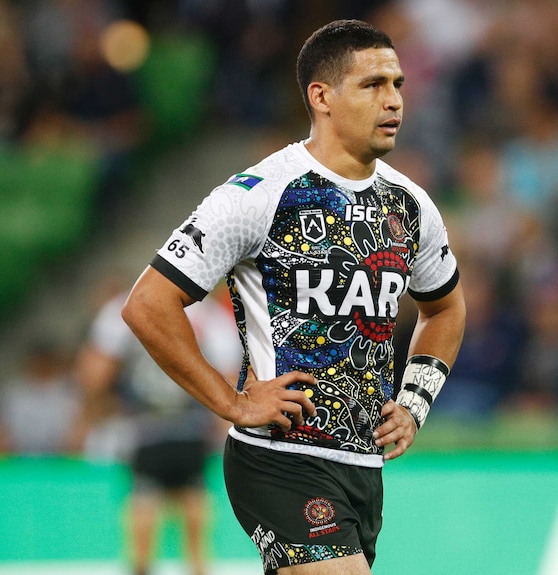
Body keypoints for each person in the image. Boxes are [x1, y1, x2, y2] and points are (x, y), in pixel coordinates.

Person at [120, 19, 466, 575]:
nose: (394, 101)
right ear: (321, 96)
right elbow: (148, 304)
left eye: (397, 84)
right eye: (373, 85)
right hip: (278, 459)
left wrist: (416, 398)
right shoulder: (257, 194)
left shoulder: (412, 205)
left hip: (362, 467)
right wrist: (231, 404)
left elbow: (445, 307)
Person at [75, 286, 241, 575]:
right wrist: (227, 425)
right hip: (191, 429)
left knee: (143, 523)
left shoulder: (123, 308)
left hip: (145, 428)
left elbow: (95, 373)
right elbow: (228, 373)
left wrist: (92, 414)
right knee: (196, 537)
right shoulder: (208, 315)